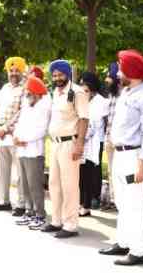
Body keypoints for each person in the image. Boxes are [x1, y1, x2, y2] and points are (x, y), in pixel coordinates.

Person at [99, 49, 143, 266]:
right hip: (120, 154)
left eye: (121, 69)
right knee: (122, 202)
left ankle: (138, 251)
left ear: (132, 71)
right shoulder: (127, 92)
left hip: (134, 156)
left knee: (135, 205)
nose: (117, 74)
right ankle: (123, 242)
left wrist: (142, 165)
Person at [40, 59, 89, 239]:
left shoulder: (78, 92)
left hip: (70, 143)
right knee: (54, 184)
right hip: (55, 143)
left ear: (67, 74)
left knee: (69, 185)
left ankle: (70, 225)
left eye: (60, 74)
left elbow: (84, 119)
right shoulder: (56, 92)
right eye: (54, 75)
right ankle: (56, 220)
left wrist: (80, 144)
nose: (57, 78)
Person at [13, 76, 51, 229]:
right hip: (22, 150)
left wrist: (24, 140)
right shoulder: (27, 106)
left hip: (34, 151)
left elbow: (41, 130)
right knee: (24, 185)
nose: (27, 94)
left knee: (35, 185)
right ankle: (29, 212)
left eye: (29, 91)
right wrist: (16, 138)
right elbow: (19, 124)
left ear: (37, 93)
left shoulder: (44, 108)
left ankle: (40, 214)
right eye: (26, 91)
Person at [0, 56, 27, 216]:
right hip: (0, 136)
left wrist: (5, 128)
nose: (13, 73)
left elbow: (21, 112)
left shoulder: (25, 88)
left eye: (16, 70)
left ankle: (21, 204)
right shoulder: (4, 88)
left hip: (15, 136)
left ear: (22, 71)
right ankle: (4, 201)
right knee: (2, 171)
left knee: (19, 173)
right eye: (11, 71)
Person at [78, 72, 109, 218]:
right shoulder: (81, 99)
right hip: (79, 140)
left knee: (90, 173)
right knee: (80, 174)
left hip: (93, 142)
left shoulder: (101, 102)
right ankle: (79, 203)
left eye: (86, 87)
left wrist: (82, 137)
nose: (84, 90)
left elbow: (95, 124)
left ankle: (87, 205)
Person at [102, 62, 121, 211]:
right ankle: (114, 199)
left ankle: (120, 199)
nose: (107, 80)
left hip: (121, 140)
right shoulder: (112, 95)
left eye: (109, 77)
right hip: (109, 138)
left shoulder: (126, 94)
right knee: (111, 170)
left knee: (120, 170)